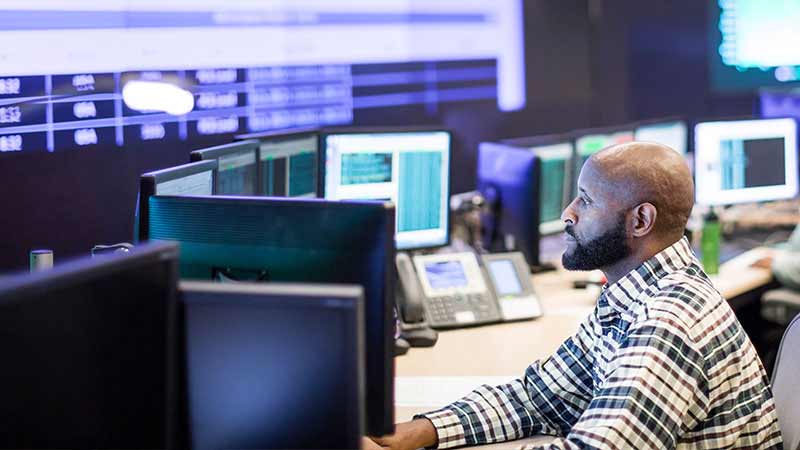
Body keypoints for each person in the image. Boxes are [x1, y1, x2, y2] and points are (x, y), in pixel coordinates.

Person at [365, 142, 782, 450]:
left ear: (641, 220)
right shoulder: (637, 290)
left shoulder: (668, 323)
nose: (568, 213)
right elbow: (539, 396)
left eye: (586, 199)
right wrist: (419, 432)